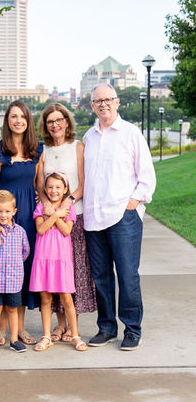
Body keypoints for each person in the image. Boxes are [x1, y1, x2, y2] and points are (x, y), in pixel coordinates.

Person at [83, 83, 156, 351]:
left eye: (108, 99)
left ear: (117, 102)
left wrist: (133, 204)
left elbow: (147, 176)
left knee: (127, 275)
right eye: (98, 101)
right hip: (94, 217)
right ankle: (106, 328)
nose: (103, 104)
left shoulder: (130, 134)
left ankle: (132, 330)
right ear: (92, 105)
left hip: (122, 216)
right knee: (100, 276)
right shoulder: (88, 137)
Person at [0, 100, 43, 346]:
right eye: (14, 116)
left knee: (20, 270)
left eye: (22, 116)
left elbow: (40, 186)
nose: (18, 121)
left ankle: (20, 328)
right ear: (7, 121)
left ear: (28, 121)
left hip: (27, 218)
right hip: (4, 216)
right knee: (0, 268)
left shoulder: (37, 152)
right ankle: (1, 328)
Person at [37, 103, 96, 343]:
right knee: (54, 273)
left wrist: (67, 203)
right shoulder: (43, 151)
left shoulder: (78, 147)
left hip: (74, 216)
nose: (55, 124)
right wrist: (47, 206)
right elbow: (39, 185)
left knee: (73, 272)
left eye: (59, 119)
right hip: (51, 218)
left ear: (67, 121)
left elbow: (83, 183)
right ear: (45, 125)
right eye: (50, 121)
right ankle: (59, 326)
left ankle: (73, 327)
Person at [30, 172, 88, 352]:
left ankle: (75, 335)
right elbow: (40, 229)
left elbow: (66, 231)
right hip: (43, 258)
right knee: (45, 298)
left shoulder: (69, 210)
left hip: (61, 260)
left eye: (58, 187)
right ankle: (46, 335)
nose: (53, 191)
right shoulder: (40, 207)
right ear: (45, 190)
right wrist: (56, 215)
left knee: (66, 298)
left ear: (65, 190)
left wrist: (54, 214)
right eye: (50, 187)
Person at [0, 191, 30, 355]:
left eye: (7, 211)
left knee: (12, 309)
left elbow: (25, 252)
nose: (3, 215)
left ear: (14, 211)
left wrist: (15, 267)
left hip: (14, 280)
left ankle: (14, 340)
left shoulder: (20, 232)